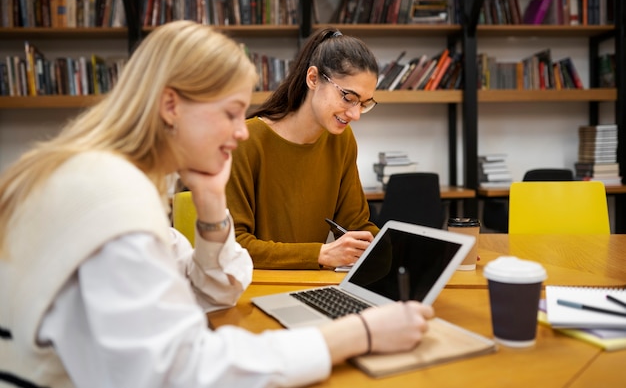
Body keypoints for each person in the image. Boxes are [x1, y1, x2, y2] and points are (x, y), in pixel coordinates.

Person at [0, 21, 434, 388]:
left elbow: (215, 289)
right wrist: (354, 333)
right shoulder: (111, 194)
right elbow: (184, 370)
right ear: (171, 106)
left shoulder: (107, 178)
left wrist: (210, 206)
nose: (243, 131)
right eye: (229, 113)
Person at [226, 28, 380, 270]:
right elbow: (235, 245)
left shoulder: (341, 139)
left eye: (364, 104)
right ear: (313, 78)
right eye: (348, 98)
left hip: (313, 287)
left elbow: (356, 225)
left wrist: (393, 249)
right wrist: (320, 254)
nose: (355, 114)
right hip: (254, 287)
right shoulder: (245, 141)